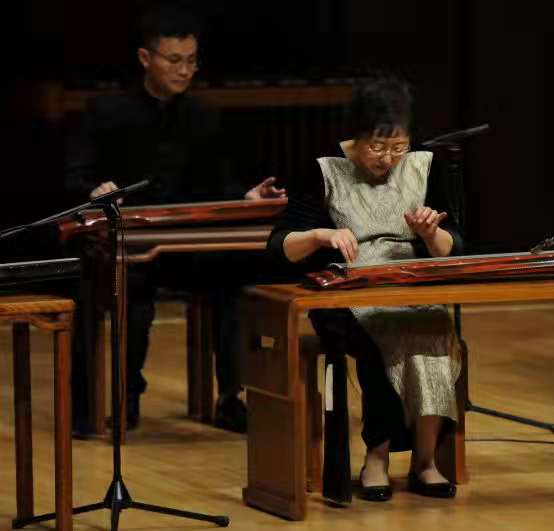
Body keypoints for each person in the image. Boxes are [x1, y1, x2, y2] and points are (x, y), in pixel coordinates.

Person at [65, 3, 285, 434]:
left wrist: (246, 196)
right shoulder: (104, 112)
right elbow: (75, 176)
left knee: (235, 277)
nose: (185, 71)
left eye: (192, 61)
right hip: (128, 248)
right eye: (174, 60)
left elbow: (216, 185)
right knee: (132, 293)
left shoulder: (204, 116)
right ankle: (125, 398)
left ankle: (231, 397)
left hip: (185, 246)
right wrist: (94, 190)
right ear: (145, 58)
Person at [265, 77, 463, 502]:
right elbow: (279, 246)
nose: (388, 158)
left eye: (398, 147)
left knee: (436, 330)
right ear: (357, 135)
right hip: (345, 290)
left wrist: (430, 233)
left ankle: (426, 460)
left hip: (409, 283)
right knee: (383, 334)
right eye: (377, 147)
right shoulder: (325, 167)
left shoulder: (424, 164)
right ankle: (377, 456)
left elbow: (455, 247)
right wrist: (321, 236)